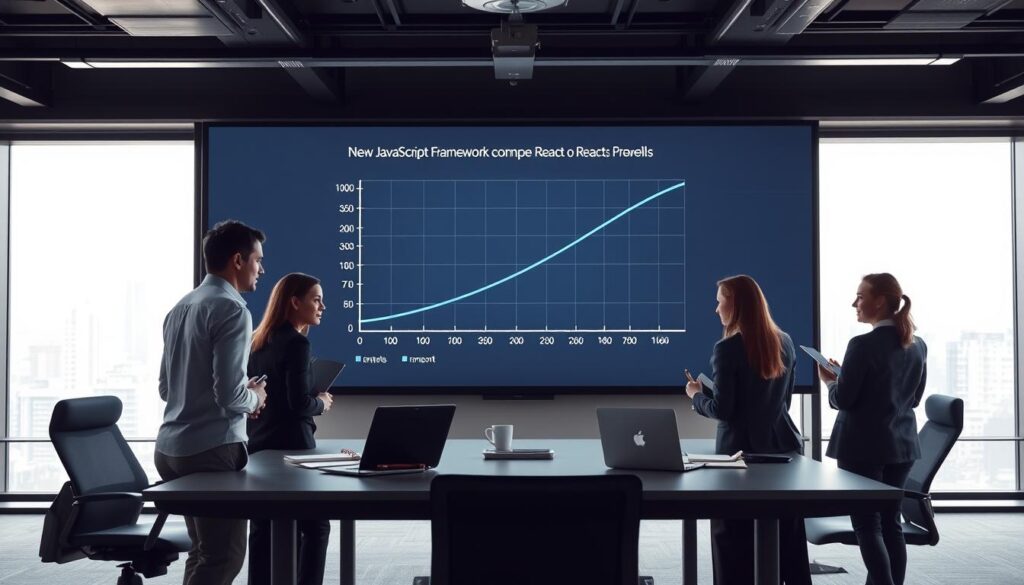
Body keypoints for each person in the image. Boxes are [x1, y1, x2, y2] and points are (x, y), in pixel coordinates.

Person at [155, 220, 268, 585]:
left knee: (202, 551)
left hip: (172, 450)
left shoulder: (181, 308)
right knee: (224, 557)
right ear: (238, 260)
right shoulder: (233, 309)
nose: (261, 269)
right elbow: (230, 395)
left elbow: (165, 388)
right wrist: (255, 397)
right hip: (211, 451)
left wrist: (236, 392)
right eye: (257, 260)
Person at [683, 275, 810, 585]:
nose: (716, 309)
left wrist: (696, 395)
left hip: (738, 457)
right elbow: (782, 402)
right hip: (784, 452)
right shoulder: (786, 342)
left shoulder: (727, 348)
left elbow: (724, 411)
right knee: (787, 535)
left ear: (735, 304)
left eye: (719, 301)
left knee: (732, 538)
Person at [818, 273, 927, 585]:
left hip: (861, 447)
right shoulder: (917, 345)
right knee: (890, 522)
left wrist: (831, 381)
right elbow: (914, 398)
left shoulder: (862, 345)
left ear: (880, 301)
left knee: (867, 525)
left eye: (860, 296)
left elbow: (844, 399)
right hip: (902, 447)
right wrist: (846, 376)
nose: (855, 303)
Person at [247, 273, 334, 585]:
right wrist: (321, 402)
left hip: (259, 446)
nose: (323, 305)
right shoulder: (297, 343)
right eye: (316, 299)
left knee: (263, 528)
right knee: (315, 526)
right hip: (293, 449)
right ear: (294, 302)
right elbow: (298, 404)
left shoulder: (258, 340)